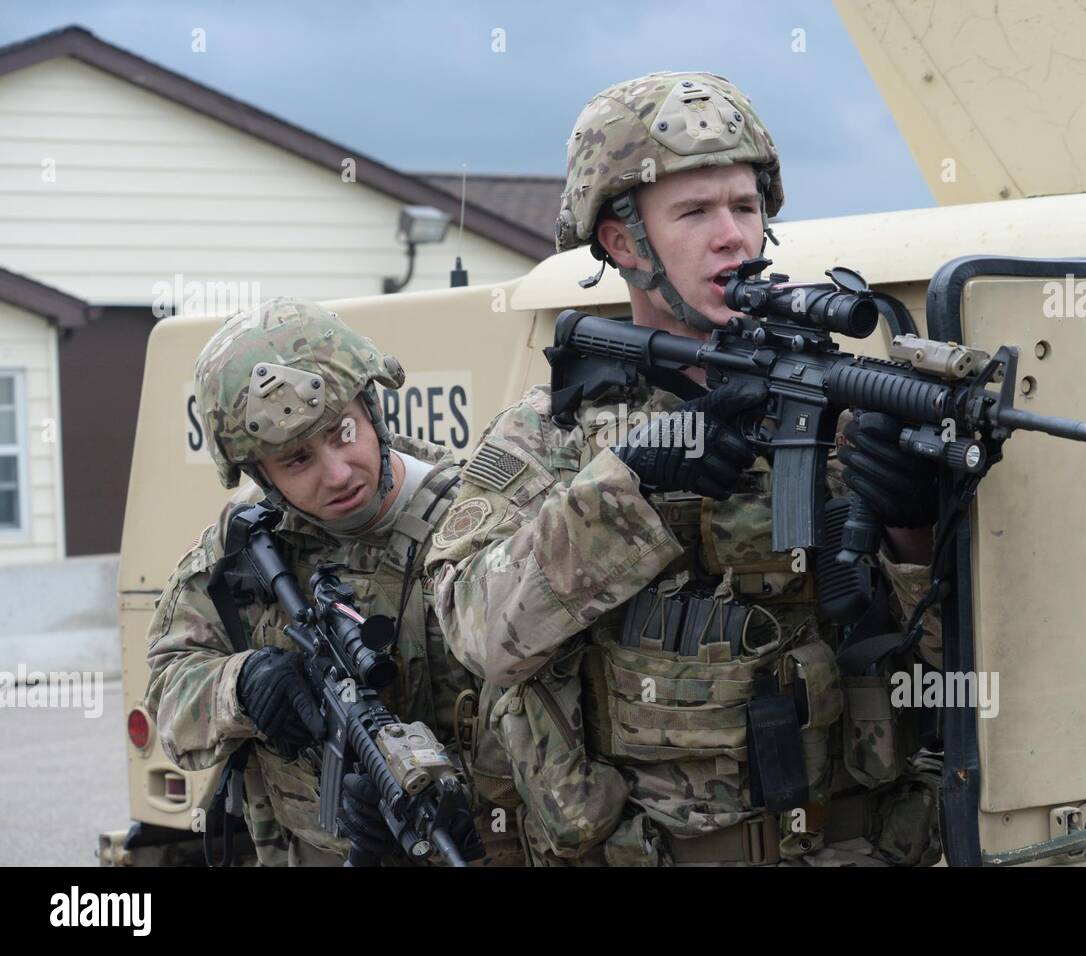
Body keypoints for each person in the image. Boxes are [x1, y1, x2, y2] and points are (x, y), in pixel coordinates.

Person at [427, 72, 945, 866]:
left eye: (746, 207)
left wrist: (914, 532)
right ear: (624, 242)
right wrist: (630, 486)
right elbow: (480, 633)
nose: (734, 236)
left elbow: (956, 669)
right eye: (696, 212)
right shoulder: (553, 433)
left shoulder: (834, 414)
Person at [144, 297, 517, 866]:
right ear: (261, 477)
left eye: (344, 432)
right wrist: (242, 686)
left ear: (372, 410)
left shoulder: (477, 518)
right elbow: (168, 694)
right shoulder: (246, 543)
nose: (337, 472)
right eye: (297, 460)